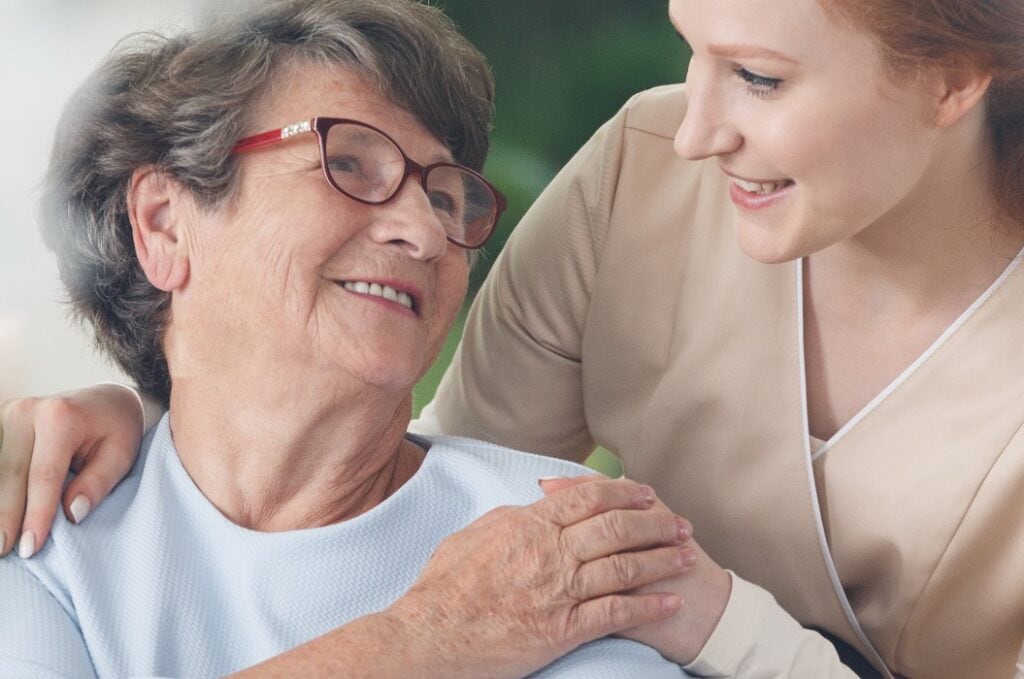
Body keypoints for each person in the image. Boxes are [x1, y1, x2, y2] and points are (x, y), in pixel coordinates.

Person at [3, 0, 1024, 676]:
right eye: (349, 162)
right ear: (163, 224)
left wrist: (436, 636)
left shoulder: (558, 580)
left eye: (757, 74)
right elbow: (412, 459)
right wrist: (150, 407)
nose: (422, 226)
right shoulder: (48, 538)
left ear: (952, 82)